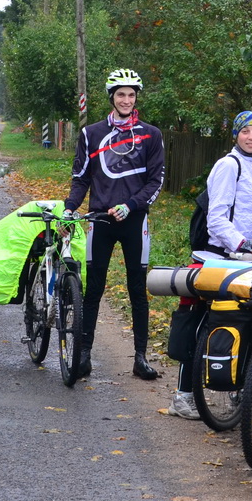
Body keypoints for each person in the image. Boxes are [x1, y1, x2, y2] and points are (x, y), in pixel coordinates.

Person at [170, 110, 252, 419]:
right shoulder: (227, 166)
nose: (251, 136)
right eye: (245, 131)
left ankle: (238, 391)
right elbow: (217, 219)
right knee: (203, 325)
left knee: (244, 322)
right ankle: (183, 396)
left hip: (240, 260)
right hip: (214, 258)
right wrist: (242, 245)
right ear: (236, 136)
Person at [66, 68, 167, 383]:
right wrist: (71, 208)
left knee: (138, 289)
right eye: (121, 94)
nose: (126, 100)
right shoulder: (91, 134)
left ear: (136, 98)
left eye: (131, 95)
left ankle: (140, 358)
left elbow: (156, 180)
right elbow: (81, 177)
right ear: (112, 98)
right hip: (100, 219)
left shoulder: (151, 134)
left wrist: (132, 205)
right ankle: (83, 356)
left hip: (134, 220)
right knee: (93, 289)